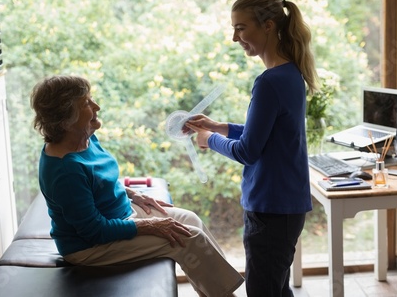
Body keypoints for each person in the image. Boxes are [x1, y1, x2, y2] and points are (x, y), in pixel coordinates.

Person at [30, 75, 244, 297]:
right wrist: (151, 225)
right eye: (86, 103)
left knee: (190, 220)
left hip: (120, 215)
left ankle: (216, 292)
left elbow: (101, 184)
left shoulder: (85, 138)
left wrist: (133, 194)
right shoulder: (65, 169)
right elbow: (94, 231)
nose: (97, 106)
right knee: (188, 239)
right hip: (89, 247)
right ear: (65, 118)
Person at [186, 0, 318, 297]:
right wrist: (221, 126)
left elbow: (249, 150)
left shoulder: (269, 82)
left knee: (264, 290)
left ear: (268, 26)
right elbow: (270, 134)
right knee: (275, 288)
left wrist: (210, 139)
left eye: (241, 27)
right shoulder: (289, 75)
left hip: (270, 208)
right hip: (285, 206)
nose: (235, 37)